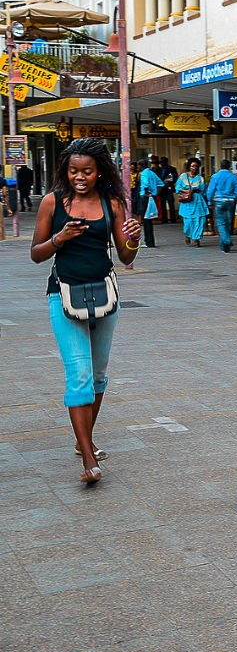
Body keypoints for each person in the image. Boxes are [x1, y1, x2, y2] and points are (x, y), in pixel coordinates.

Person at [29, 137, 143, 484]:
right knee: (78, 376)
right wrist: (60, 238)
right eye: (74, 170)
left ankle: (84, 441)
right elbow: (36, 253)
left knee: (97, 377)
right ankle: (89, 458)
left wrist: (134, 237)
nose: (80, 177)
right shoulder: (52, 202)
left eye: (87, 171)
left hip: (104, 295)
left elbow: (126, 258)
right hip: (62, 296)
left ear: (99, 172)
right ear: (66, 170)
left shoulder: (111, 202)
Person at [206, 159, 237, 253]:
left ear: (220, 166)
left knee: (221, 223)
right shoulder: (234, 177)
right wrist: (235, 198)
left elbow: (210, 190)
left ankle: (226, 240)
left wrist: (209, 202)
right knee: (229, 223)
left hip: (219, 201)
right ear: (229, 166)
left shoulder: (215, 177)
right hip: (230, 201)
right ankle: (224, 245)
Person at [175, 158, 209, 246]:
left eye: (196, 166)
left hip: (198, 201)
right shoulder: (183, 176)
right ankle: (188, 235)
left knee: (200, 220)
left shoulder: (200, 178)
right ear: (189, 167)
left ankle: (197, 238)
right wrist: (188, 191)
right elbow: (177, 188)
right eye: (193, 166)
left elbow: (203, 190)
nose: (195, 168)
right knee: (188, 222)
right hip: (187, 202)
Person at [138, 157, 163, 248]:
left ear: (141, 166)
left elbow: (145, 184)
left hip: (145, 197)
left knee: (146, 220)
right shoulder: (152, 173)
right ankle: (150, 241)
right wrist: (155, 193)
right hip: (151, 197)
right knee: (149, 219)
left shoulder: (144, 173)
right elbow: (160, 183)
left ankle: (148, 241)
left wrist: (146, 192)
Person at [158, 156, 178, 223]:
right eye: (160, 162)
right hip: (162, 189)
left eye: (162, 162)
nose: (161, 163)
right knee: (162, 204)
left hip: (169, 188)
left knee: (171, 203)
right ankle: (164, 219)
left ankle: (173, 219)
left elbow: (175, 177)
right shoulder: (158, 169)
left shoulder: (172, 168)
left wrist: (169, 182)